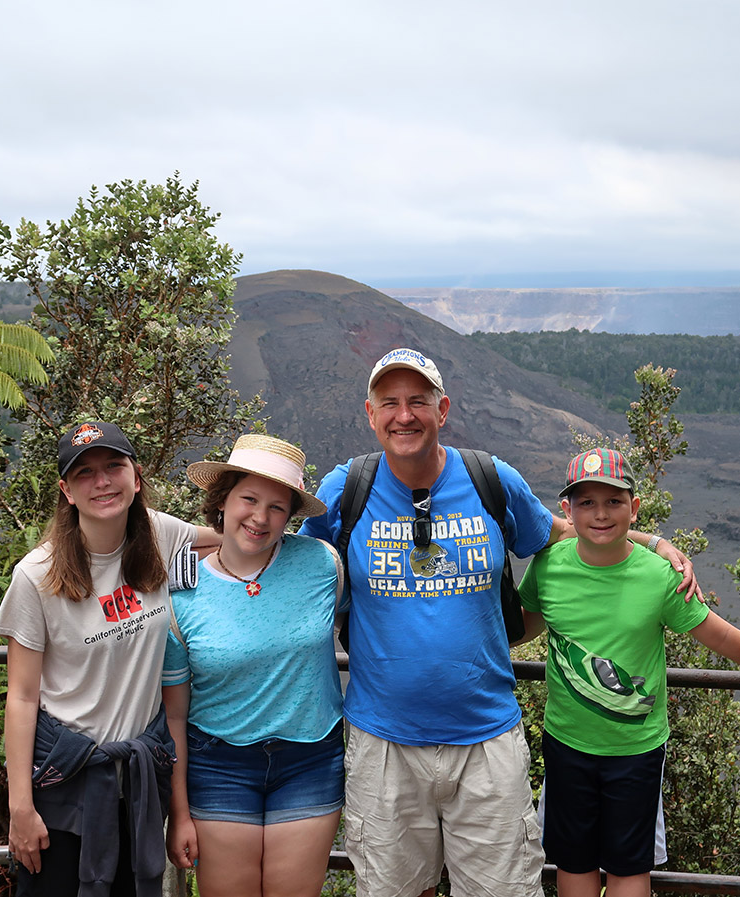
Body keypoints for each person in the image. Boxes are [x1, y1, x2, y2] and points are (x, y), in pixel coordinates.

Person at [298, 346, 700, 897]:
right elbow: (286, 561)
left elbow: (564, 530)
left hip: (486, 740)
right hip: (384, 742)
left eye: (418, 400)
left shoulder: (490, 480)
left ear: (443, 409)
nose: (404, 414)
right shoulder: (346, 490)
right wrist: (198, 548)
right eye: (389, 402)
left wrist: (652, 541)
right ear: (370, 414)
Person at [518, 447, 740, 897]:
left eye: (614, 502)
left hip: (635, 753)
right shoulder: (548, 567)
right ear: (567, 510)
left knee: (628, 866)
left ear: (634, 509)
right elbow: (527, 622)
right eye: (587, 503)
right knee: (572, 862)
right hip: (565, 745)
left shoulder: (660, 578)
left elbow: (719, 635)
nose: (600, 514)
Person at [0, 421, 217, 897]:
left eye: (114, 466)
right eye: (85, 473)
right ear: (66, 491)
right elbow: (23, 696)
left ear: (136, 476)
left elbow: (234, 540)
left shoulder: (160, 534)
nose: (102, 482)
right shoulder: (37, 576)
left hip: (137, 782)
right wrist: (20, 807)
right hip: (65, 783)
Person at [162, 434, 345, 897]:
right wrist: (179, 812)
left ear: (291, 517)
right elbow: (175, 715)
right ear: (222, 500)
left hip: (310, 758)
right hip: (217, 763)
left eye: (278, 507)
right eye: (248, 499)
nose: (260, 518)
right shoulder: (181, 589)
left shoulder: (322, 564)